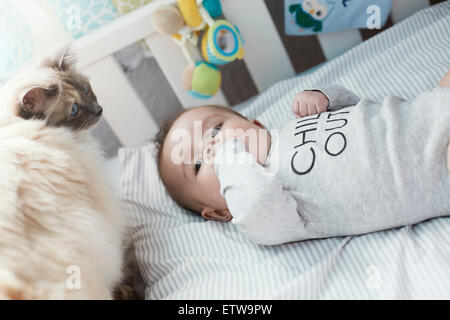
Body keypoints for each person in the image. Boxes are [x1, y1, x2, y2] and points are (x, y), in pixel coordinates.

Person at [156, 71, 450, 245]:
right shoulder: (264, 213)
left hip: (424, 108)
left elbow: (358, 107)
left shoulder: (292, 125)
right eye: (197, 164)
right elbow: (254, 198)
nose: (213, 146)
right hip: (433, 166)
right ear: (221, 212)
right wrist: (227, 155)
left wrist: (323, 97)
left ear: (256, 125)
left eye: (216, 129)